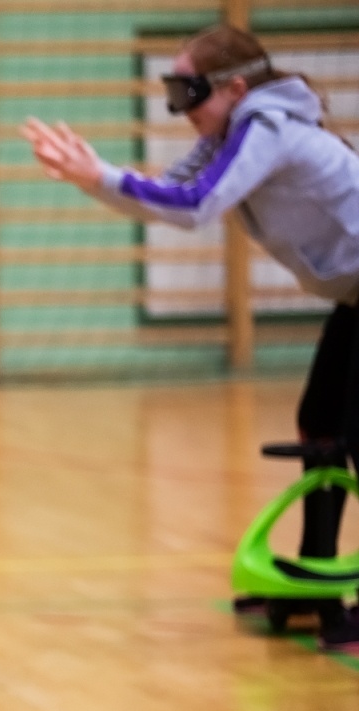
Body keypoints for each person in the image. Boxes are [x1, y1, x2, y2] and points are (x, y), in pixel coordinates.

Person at [23, 24, 359, 650]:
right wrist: (91, 178)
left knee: (355, 431)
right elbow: (170, 198)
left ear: (234, 88)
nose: (181, 109)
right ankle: (318, 583)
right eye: (173, 93)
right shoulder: (231, 132)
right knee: (321, 424)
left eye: (189, 92)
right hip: (354, 295)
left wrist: (101, 173)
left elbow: (198, 205)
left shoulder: (267, 129)